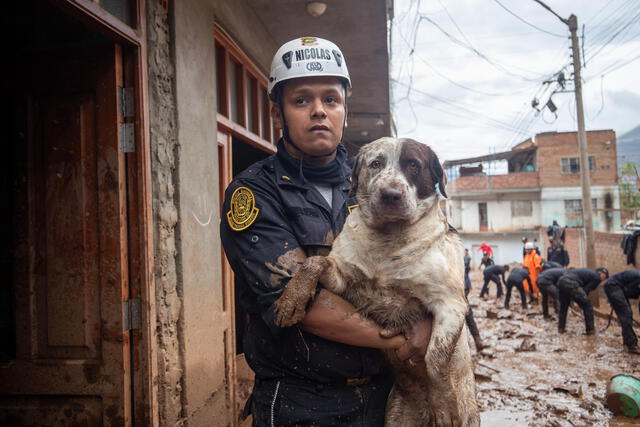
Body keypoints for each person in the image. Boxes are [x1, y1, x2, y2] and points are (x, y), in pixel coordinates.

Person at [220, 37, 432, 426]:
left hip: (389, 396)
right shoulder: (254, 193)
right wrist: (407, 337)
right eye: (301, 100)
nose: (319, 111)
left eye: (331, 100)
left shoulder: (376, 182)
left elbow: (428, 256)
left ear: (345, 111)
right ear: (277, 114)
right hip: (302, 403)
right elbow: (301, 306)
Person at [557, 267, 609, 335]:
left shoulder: (589, 273)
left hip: (561, 281)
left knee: (563, 307)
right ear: (601, 273)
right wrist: (582, 302)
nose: (604, 279)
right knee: (588, 306)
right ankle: (590, 331)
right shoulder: (596, 277)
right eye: (605, 276)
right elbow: (585, 290)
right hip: (571, 282)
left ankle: (561, 328)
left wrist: (579, 299)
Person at [603, 270, 640, 354]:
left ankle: (627, 342)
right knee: (626, 314)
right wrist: (616, 300)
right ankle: (631, 345)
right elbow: (628, 291)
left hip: (618, 288)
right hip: (613, 286)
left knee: (627, 314)